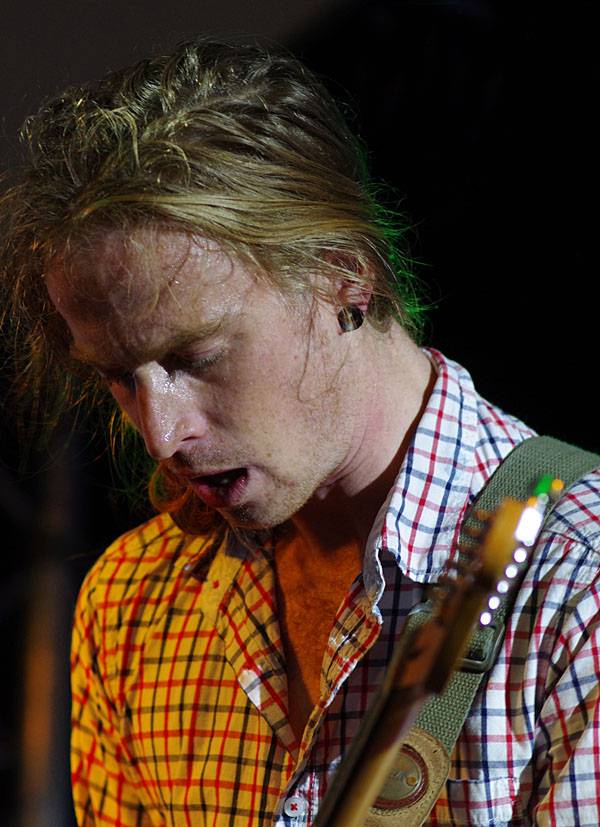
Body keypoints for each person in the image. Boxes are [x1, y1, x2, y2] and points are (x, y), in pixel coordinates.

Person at [1, 38, 599, 826]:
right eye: (120, 376)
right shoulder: (130, 602)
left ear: (345, 274)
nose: (162, 432)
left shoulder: (578, 589)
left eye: (196, 356)